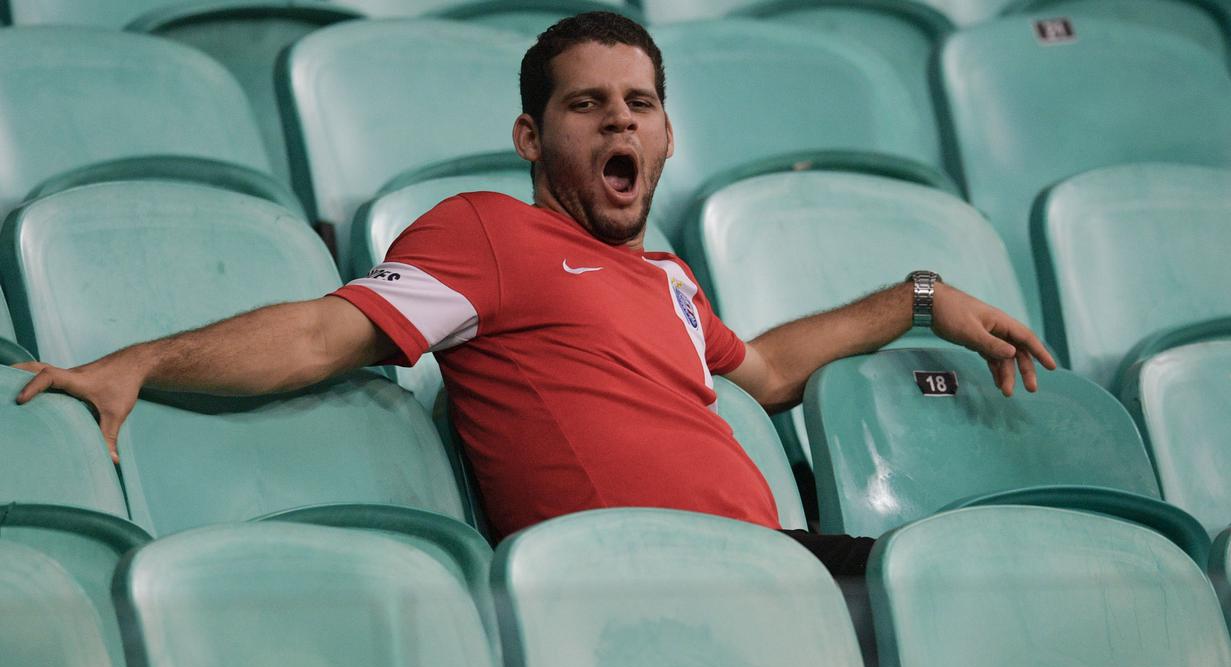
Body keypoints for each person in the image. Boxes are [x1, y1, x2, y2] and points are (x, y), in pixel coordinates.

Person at [13, 12, 1054, 574]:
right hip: (631, 570)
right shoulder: (486, 232)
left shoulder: (671, 277)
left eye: (638, 103)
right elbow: (323, 332)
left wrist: (919, 296)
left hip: (769, 560)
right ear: (531, 135)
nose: (617, 124)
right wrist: (140, 360)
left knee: (982, 588)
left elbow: (767, 370)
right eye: (586, 104)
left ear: (666, 134)